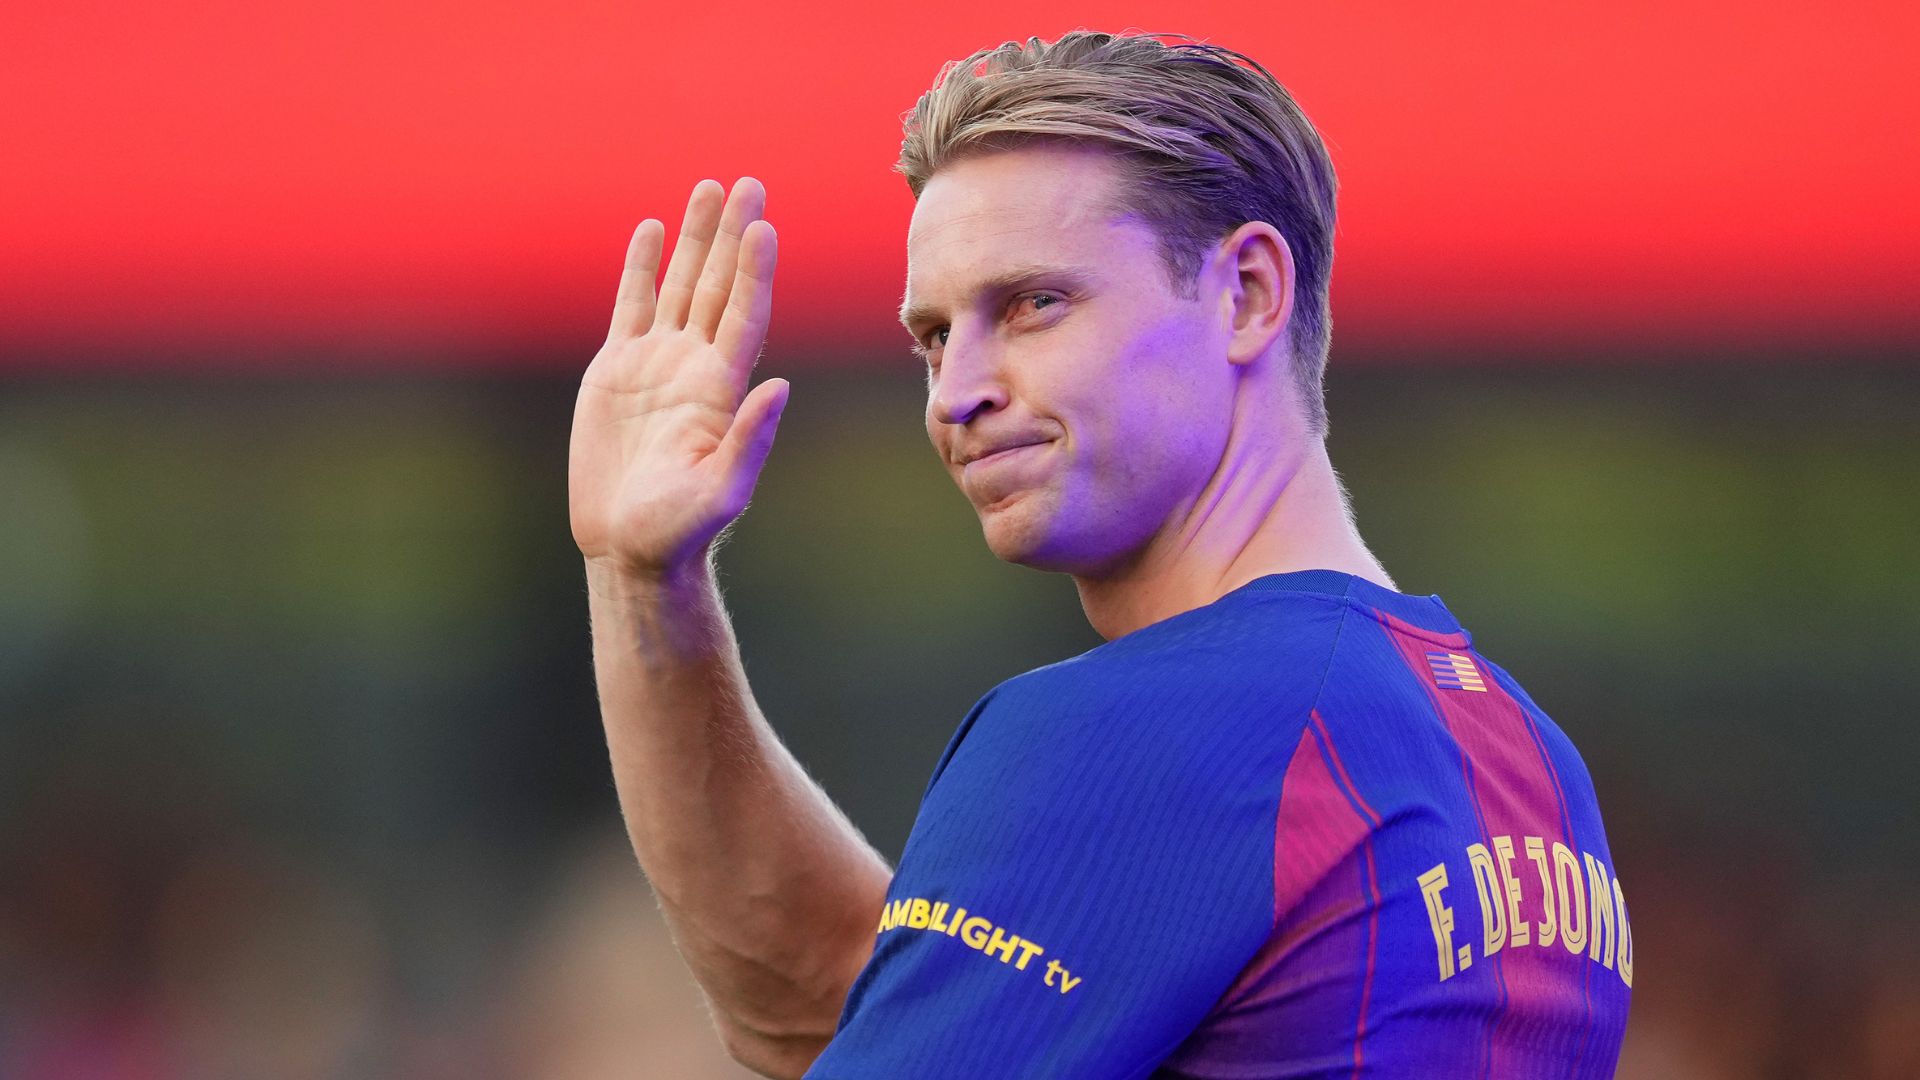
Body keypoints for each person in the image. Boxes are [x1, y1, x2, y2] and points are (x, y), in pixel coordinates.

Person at [568, 30, 1632, 1079]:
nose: (956, 392)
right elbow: (823, 1004)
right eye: (935, 336)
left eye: (1033, 304)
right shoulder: (1528, 758)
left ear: (1249, 294)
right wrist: (640, 578)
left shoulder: (1149, 728)